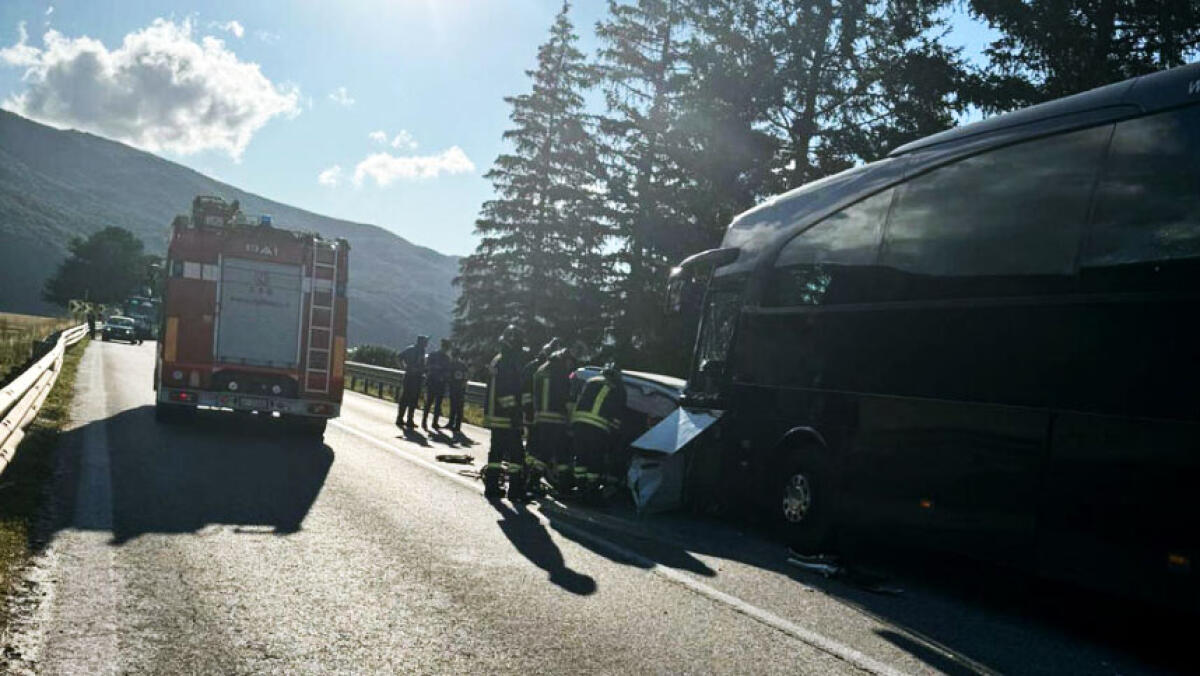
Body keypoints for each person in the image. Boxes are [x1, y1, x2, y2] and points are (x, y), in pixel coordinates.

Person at [568, 362, 626, 502]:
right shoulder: (618, 388)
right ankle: (591, 491)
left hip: (579, 424)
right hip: (597, 428)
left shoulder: (591, 380)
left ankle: (580, 488)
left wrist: (571, 425)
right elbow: (617, 415)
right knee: (595, 459)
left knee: (581, 458)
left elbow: (577, 400)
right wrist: (613, 436)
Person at [482, 325, 524, 499]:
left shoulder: (498, 359)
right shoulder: (507, 361)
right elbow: (506, 392)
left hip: (496, 415)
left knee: (496, 452)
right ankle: (515, 490)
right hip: (506, 416)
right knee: (517, 453)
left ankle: (491, 486)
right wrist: (515, 414)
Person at [531, 344, 577, 493]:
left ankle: (562, 485)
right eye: (570, 362)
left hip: (540, 417)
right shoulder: (561, 373)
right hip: (556, 419)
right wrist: (571, 421)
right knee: (549, 452)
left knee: (558, 452)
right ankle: (533, 481)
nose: (570, 366)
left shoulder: (542, 369)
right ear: (565, 359)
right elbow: (566, 398)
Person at [395, 335, 428, 429]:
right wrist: (405, 368)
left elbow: (399, 357)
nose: (427, 344)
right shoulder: (418, 351)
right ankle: (408, 420)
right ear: (421, 342)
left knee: (405, 398)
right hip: (414, 377)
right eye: (425, 342)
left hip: (410, 376)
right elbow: (399, 357)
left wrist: (403, 367)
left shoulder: (411, 349)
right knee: (412, 399)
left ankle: (401, 418)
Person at [422, 338, 452, 430]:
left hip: (439, 382)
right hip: (433, 381)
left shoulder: (445, 358)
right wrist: (436, 369)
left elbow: (448, 371)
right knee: (430, 402)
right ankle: (425, 421)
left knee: (437, 404)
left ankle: (433, 422)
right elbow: (427, 367)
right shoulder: (435, 355)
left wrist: (444, 376)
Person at [447, 351, 469, 432]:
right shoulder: (459, 365)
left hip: (458, 388)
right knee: (454, 406)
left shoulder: (457, 365)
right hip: (455, 388)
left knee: (458, 407)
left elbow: (465, 377)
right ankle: (452, 423)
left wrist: (463, 385)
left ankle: (456, 425)